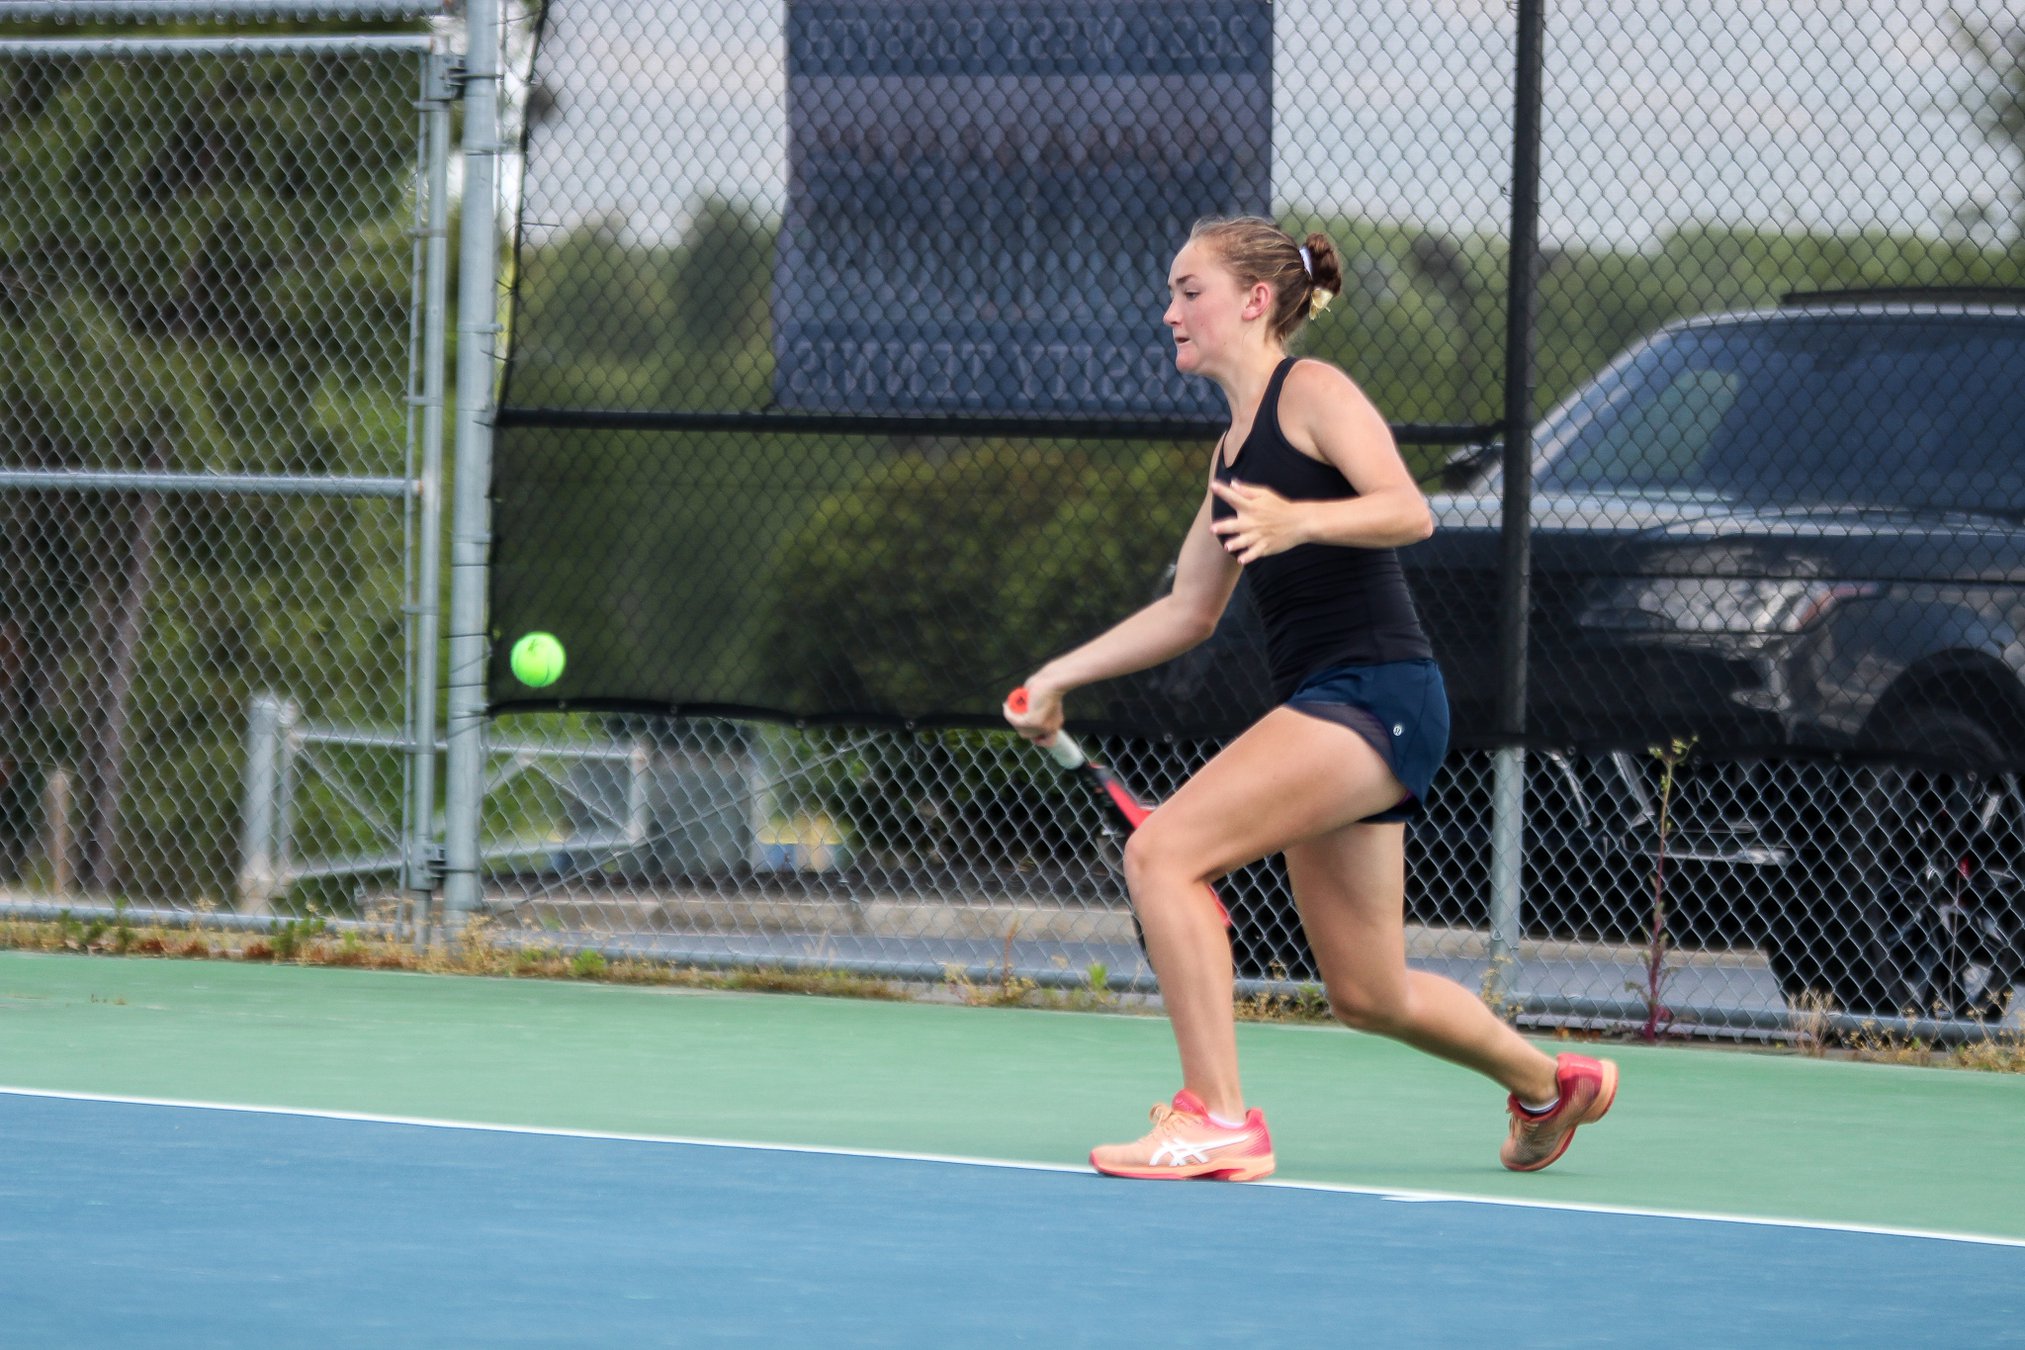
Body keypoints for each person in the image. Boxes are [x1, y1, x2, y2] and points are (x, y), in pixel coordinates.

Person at [1003, 216, 1616, 1181]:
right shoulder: (1229, 452)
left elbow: (1408, 510)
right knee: (1366, 992)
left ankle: (1218, 1118)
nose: (1169, 312)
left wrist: (1300, 519)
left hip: (1374, 695)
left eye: (1187, 290)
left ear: (1253, 299)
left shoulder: (1314, 393)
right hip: (1350, 707)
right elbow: (1190, 610)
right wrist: (1057, 678)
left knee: (1161, 853)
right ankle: (1552, 1084)